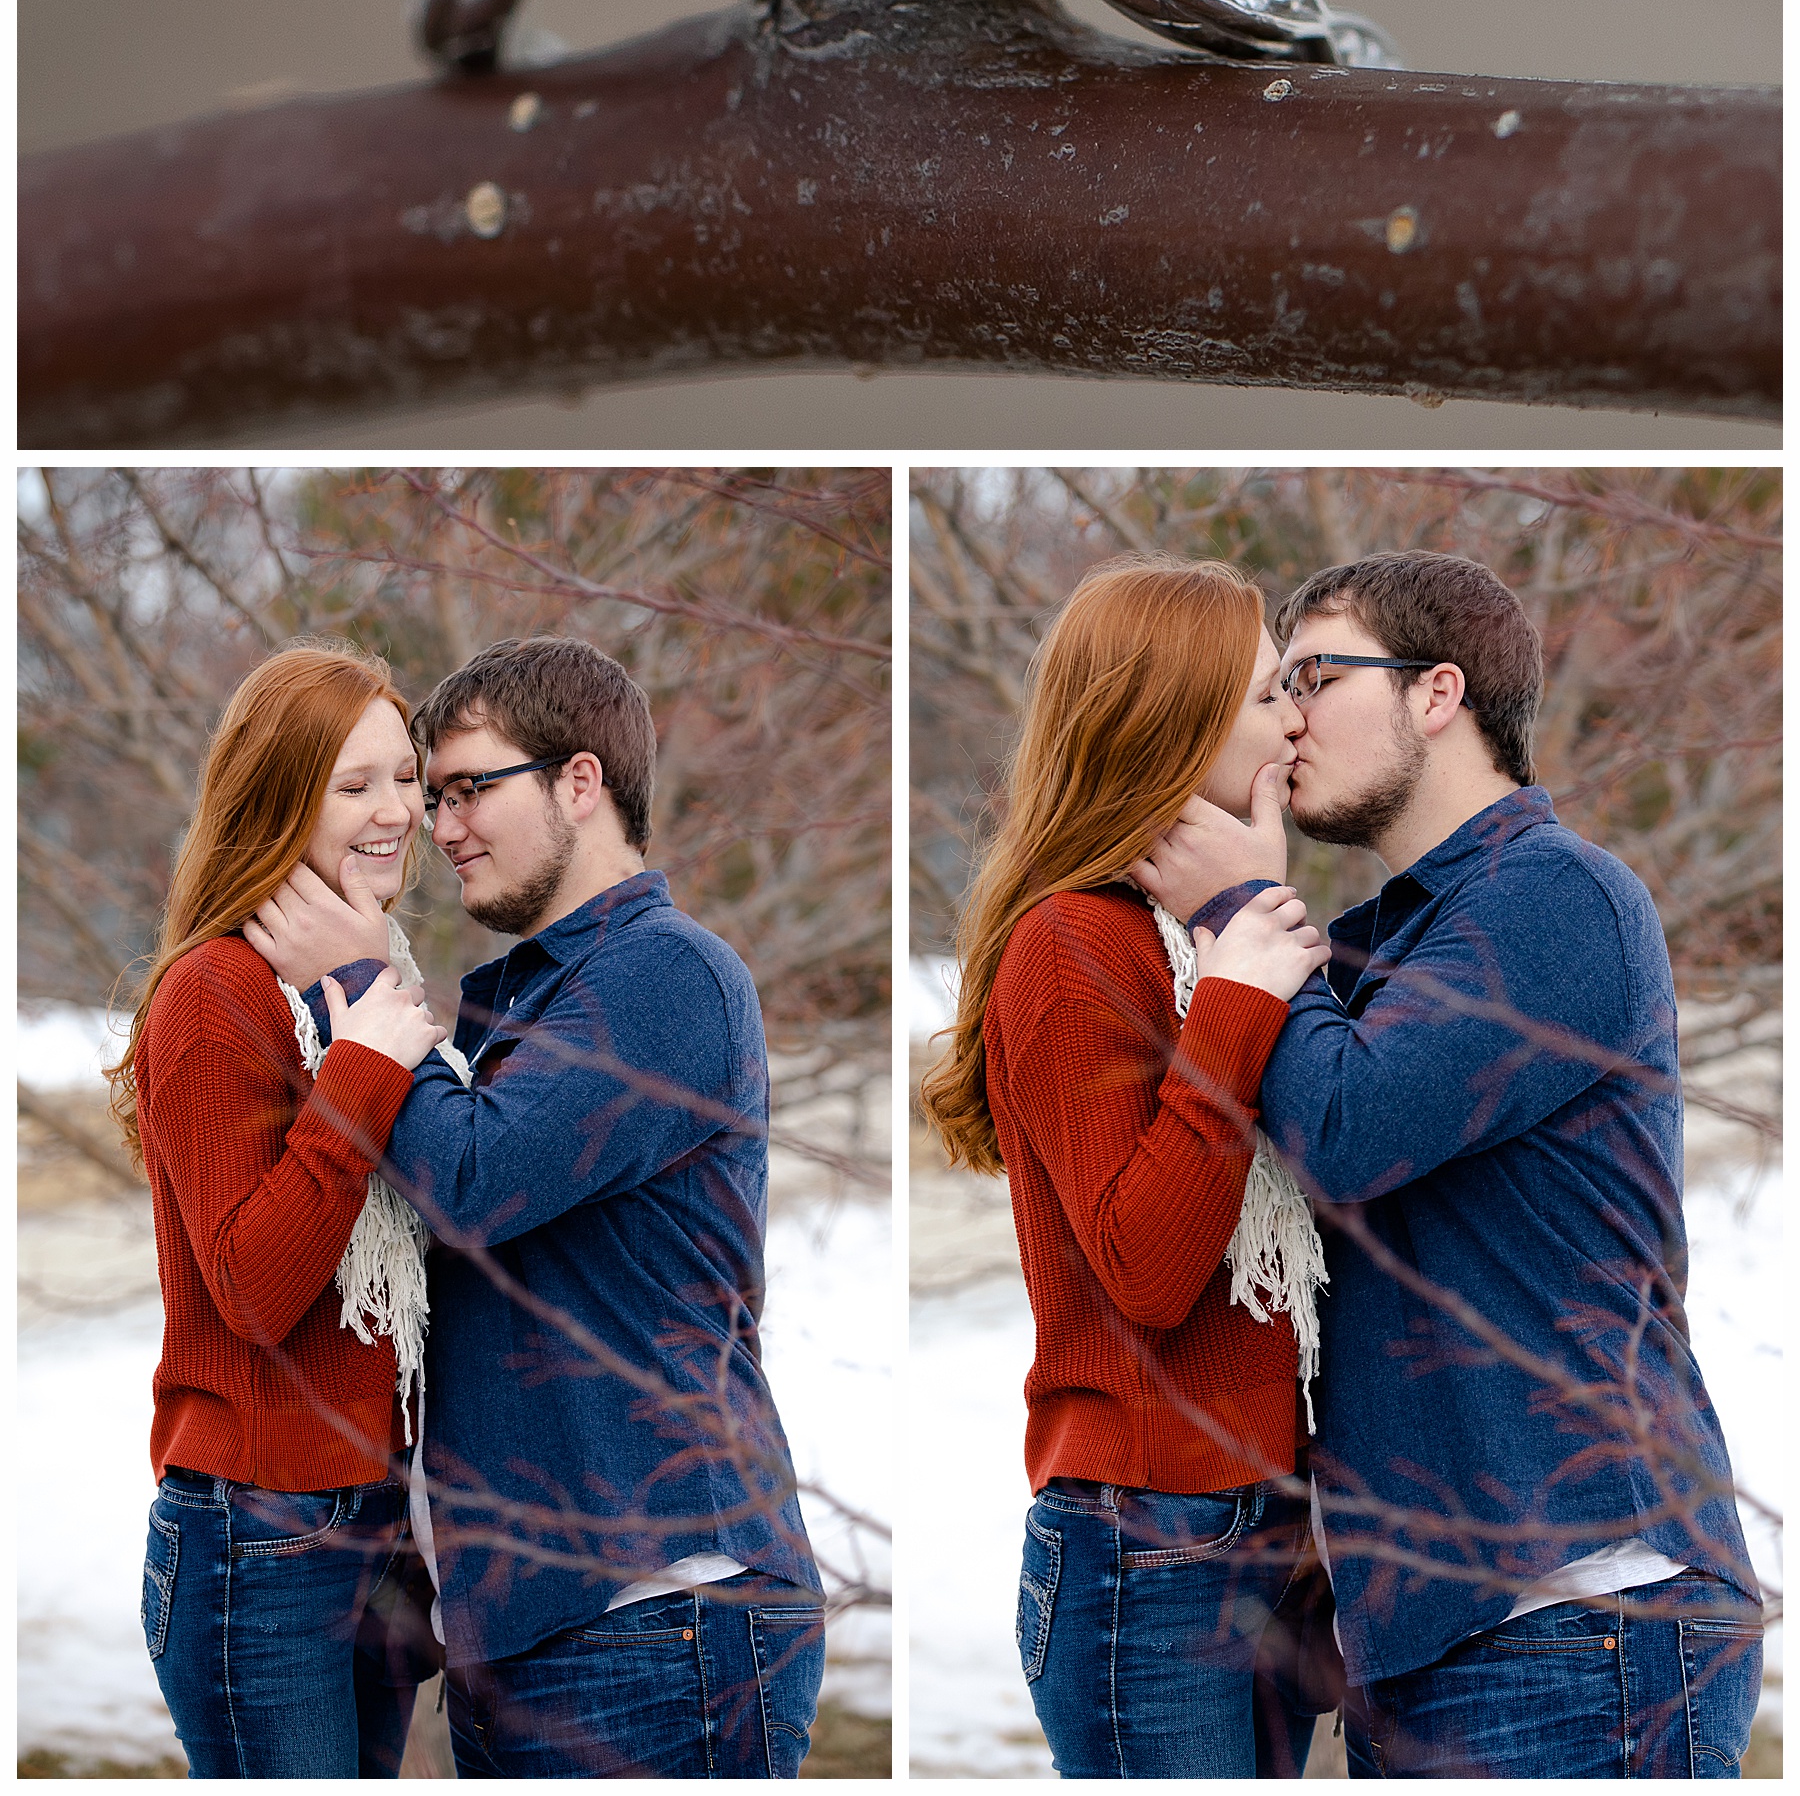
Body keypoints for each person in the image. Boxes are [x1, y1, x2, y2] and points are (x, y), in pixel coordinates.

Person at [1134, 549, 1763, 1779]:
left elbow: (1350, 1132)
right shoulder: (1389, 942)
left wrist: (1243, 912)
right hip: (1450, 1627)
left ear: (1438, 693)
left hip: (1582, 1611)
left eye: (1315, 672)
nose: (1289, 715)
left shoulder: (1561, 896)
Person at [244, 634, 825, 1779]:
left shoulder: (665, 972)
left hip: (659, 1609)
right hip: (543, 1617)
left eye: (468, 788)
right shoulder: (535, 998)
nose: (438, 824)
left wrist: (359, 987)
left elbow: (472, 1182)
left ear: (579, 782)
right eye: (429, 791)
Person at [921, 555, 1335, 1778]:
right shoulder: (1073, 945)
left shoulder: (1214, 935)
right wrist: (1241, 998)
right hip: (1149, 1544)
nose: (1298, 719)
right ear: (1175, 718)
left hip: (1265, 1524)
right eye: (1269, 696)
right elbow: (1147, 1271)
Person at [109, 646, 451, 1778]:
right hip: (257, 1534)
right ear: (277, 799)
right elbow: (255, 1289)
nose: (398, 809)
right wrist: (359, 1065)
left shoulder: (368, 975)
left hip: (370, 1522)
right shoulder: (217, 993)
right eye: (354, 786)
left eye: (406, 776)